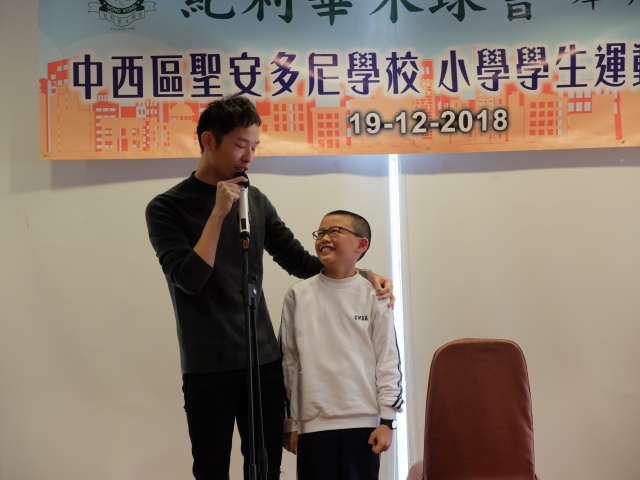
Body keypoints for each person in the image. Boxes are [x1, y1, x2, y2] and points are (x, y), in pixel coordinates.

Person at [144, 94, 394, 480]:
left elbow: (300, 262)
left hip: (262, 363)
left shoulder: (255, 200)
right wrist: (218, 213)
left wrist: (363, 274)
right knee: (210, 470)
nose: (248, 157)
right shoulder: (167, 207)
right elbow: (189, 279)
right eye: (240, 145)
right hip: (207, 365)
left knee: (265, 470)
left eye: (254, 147)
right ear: (209, 141)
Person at [279, 210, 404, 480]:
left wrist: (387, 421)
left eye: (335, 231)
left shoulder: (375, 295)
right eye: (321, 232)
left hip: (363, 424)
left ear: (361, 244)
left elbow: (388, 359)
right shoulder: (298, 295)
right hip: (312, 426)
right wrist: (290, 422)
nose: (325, 238)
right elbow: (288, 363)